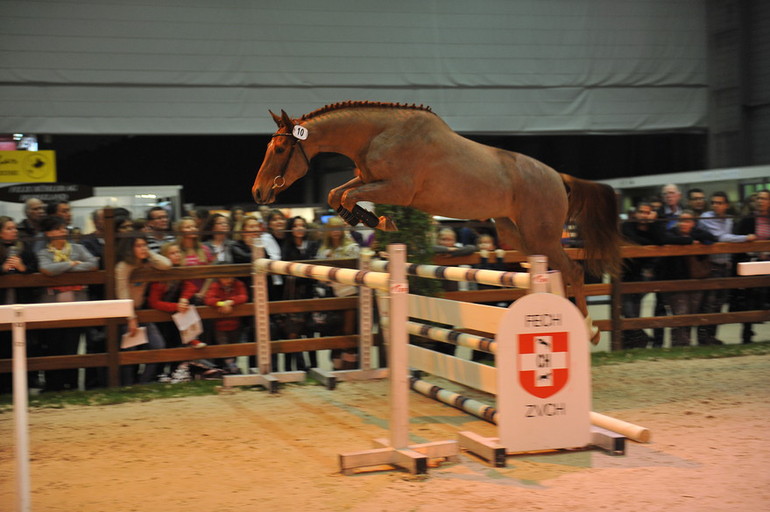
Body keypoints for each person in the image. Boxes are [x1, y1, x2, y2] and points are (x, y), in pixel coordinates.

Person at [36, 215, 99, 391]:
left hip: (76, 307)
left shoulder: (78, 248)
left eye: (64, 228)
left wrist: (64, 267)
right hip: (51, 308)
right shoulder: (44, 253)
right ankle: (53, 385)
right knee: (53, 346)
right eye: (57, 229)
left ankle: (71, 383)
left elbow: (93, 264)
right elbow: (47, 269)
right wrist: (71, 264)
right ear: (48, 233)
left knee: (72, 346)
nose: (63, 231)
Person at [697, 192, 756, 345]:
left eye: (719, 203)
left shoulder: (729, 220)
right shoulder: (707, 217)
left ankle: (711, 337)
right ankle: (704, 338)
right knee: (709, 303)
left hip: (725, 265)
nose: (716, 205)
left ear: (726, 205)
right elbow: (721, 237)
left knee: (719, 303)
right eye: (713, 202)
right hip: (712, 266)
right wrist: (745, 238)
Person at [115, 234, 171, 385]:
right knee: (129, 352)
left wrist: (149, 253)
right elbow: (122, 294)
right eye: (138, 246)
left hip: (141, 310)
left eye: (144, 245)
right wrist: (130, 318)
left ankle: (143, 382)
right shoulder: (123, 267)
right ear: (129, 248)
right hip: (125, 313)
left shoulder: (147, 264)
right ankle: (127, 385)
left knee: (158, 346)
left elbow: (166, 264)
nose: (142, 248)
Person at [657, 211, 716, 347]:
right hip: (676, 279)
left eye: (688, 221)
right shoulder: (671, 232)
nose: (684, 224)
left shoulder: (698, 232)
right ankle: (679, 344)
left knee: (692, 312)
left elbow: (711, 238)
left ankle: (686, 343)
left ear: (693, 223)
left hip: (695, 278)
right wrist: (689, 241)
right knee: (680, 312)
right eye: (682, 220)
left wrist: (693, 237)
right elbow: (665, 240)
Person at [315, 216, 361, 370]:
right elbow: (318, 275)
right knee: (335, 329)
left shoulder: (352, 247)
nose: (335, 232)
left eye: (338, 228)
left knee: (349, 329)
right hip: (331, 294)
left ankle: (349, 366)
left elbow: (356, 271)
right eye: (332, 228)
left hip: (350, 292)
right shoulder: (323, 250)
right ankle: (337, 367)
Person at [0, 216, 39, 393]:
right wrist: (2, 269)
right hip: (3, 303)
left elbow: (35, 267)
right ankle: (5, 385)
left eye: (15, 228)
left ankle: (29, 381)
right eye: (9, 228)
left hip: (23, 302)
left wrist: (24, 268)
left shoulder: (24, 248)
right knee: (3, 345)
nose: (14, 231)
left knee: (28, 344)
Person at [280, 216, 320, 371]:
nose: (299, 228)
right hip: (293, 294)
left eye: (302, 225)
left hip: (310, 292)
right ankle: (290, 368)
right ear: (291, 228)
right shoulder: (286, 246)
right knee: (292, 330)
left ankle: (314, 366)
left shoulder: (313, 244)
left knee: (310, 329)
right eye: (296, 225)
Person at [733, 189, 769, 344]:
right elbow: (738, 240)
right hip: (752, 263)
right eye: (758, 198)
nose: (760, 201)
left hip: (769, 262)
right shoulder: (747, 220)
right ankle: (746, 334)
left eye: (764, 198)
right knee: (748, 299)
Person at [620, 202, 658, 349]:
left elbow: (660, 241)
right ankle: (642, 339)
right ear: (636, 213)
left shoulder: (653, 228)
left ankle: (635, 344)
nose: (643, 215)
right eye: (641, 212)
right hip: (624, 275)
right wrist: (649, 246)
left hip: (641, 275)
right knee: (629, 314)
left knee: (633, 312)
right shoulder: (627, 226)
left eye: (647, 212)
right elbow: (632, 239)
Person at [204, 275, 248, 374]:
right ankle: (232, 368)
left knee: (234, 346)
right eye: (224, 278)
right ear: (219, 278)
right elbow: (208, 299)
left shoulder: (238, 284)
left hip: (235, 322)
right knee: (223, 346)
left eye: (230, 277)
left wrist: (231, 302)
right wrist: (222, 304)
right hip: (219, 324)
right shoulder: (215, 285)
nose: (228, 280)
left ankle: (231, 368)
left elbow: (243, 297)